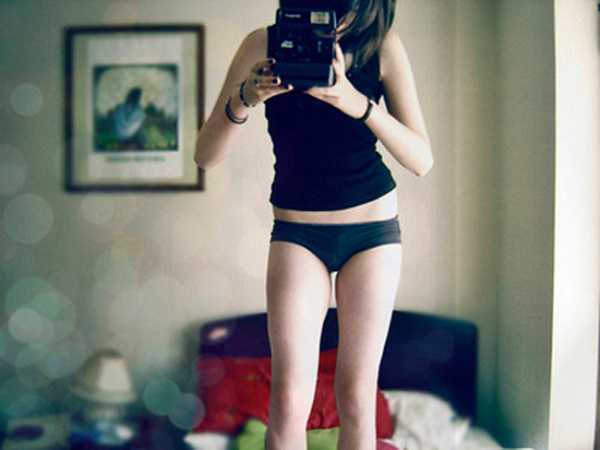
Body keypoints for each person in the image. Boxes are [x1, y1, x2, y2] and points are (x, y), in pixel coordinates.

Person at [194, 1, 433, 449]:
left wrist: (354, 102)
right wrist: (246, 96)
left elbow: (422, 159)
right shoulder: (262, 44)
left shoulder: (380, 46)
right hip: (297, 232)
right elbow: (205, 156)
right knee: (287, 400)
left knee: (357, 397)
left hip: (371, 232)